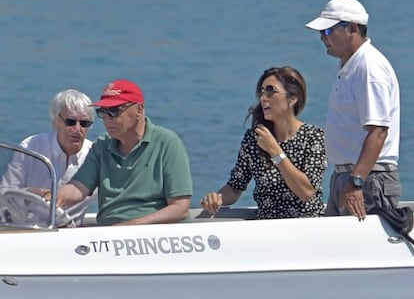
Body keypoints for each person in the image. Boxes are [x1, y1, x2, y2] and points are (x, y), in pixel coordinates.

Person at [46, 79, 193, 226]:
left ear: (139, 110)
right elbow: (79, 187)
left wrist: (133, 225)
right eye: (103, 112)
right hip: (113, 234)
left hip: (152, 235)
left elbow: (180, 208)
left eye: (114, 111)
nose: (107, 119)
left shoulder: (167, 143)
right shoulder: (102, 146)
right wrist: (58, 196)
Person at [305, 0, 401, 221]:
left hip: (367, 179)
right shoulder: (351, 65)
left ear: (353, 29)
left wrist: (356, 180)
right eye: (321, 32)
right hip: (346, 176)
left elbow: (378, 131)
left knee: (366, 254)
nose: (322, 37)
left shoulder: (369, 68)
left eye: (328, 31)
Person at [201, 66, 327, 219]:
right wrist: (217, 198)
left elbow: (306, 192)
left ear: (292, 98)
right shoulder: (255, 138)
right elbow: (235, 187)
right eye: (261, 91)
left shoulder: (313, 136)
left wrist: (275, 151)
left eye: (270, 91)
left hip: (305, 227)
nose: (263, 97)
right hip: (265, 229)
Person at [1, 89, 96, 225]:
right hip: (25, 229)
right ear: (55, 121)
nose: (77, 129)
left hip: (69, 234)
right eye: (70, 122)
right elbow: (4, 194)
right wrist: (35, 193)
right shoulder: (31, 147)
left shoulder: (95, 156)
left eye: (84, 123)